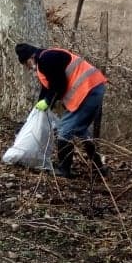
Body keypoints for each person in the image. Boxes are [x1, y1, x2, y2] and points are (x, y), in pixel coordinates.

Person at [15, 43, 109, 178]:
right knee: (80, 130)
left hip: (88, 90)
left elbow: (59, 84)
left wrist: (47, 102)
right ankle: (99, 169)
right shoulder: (45, 60)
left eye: (26, 64)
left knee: (65, 129)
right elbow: (47, 90)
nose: (28, 68)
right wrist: (34, 115)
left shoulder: (47, 59)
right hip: (92, 88)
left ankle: (64, 169)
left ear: (30, 58)